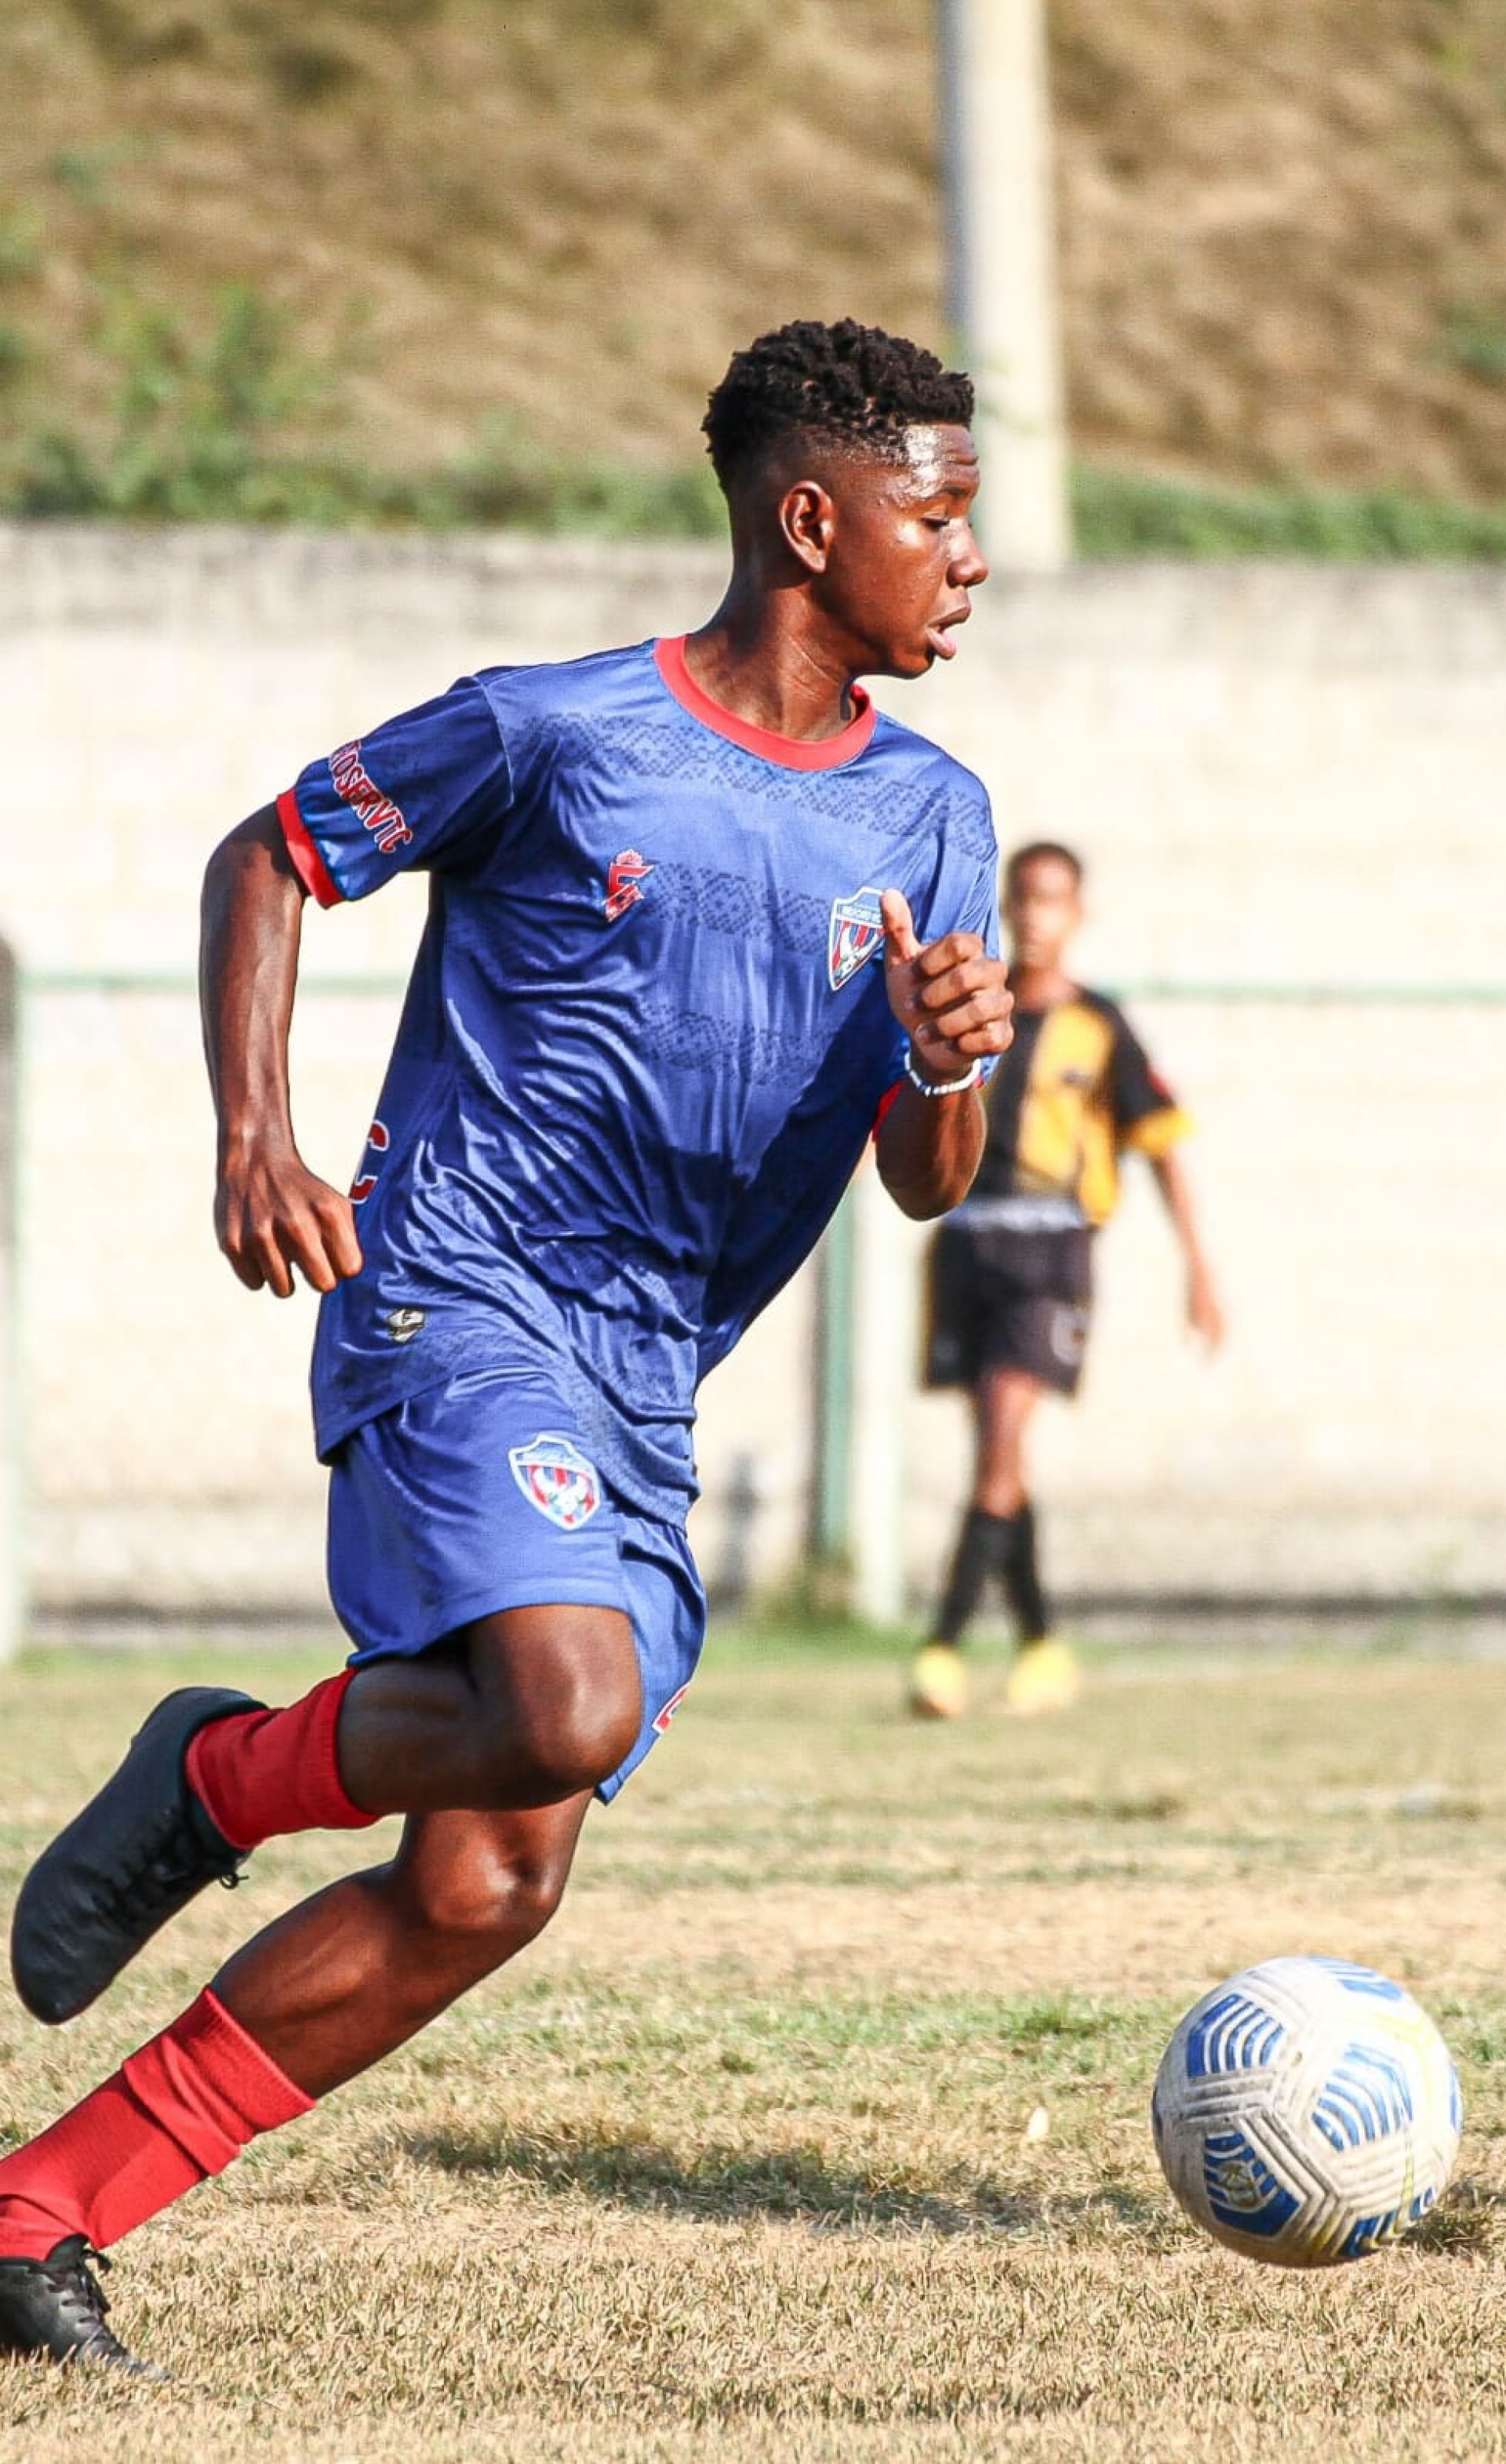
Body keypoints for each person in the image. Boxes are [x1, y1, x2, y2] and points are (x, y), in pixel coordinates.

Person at [0, 319, 1013, 2377]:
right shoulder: (557, 732)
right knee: (559, 1701)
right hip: (461, 1292)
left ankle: (37, 2214)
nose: (970, 558)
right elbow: (275, 850)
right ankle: (222, 1767)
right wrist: (257, 1129)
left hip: (649, 1377)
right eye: (941, 515)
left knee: (485, 1881)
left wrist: (947, 1061)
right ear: (813, 523)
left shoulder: (936, 810)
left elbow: (926, 1178)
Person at [908, 839, 1222, 1723]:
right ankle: (1042, 1645)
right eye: (1026, 899)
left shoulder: (1101, 1024)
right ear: (1007, 907)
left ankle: (941, 1647)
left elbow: (1164, 1148)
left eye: (1055, 900)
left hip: (1053, 1251)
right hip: (967, 1241)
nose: (1038, 916)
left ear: (1078, 913)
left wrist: (1198, 1268)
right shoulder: (975, 1012)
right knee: (998, 1458)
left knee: (1003, 1429)